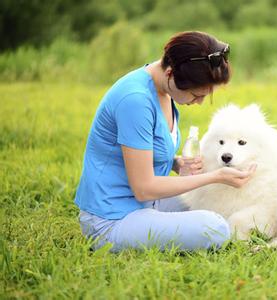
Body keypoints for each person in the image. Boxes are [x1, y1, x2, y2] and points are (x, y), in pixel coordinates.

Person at [74, 31, 256, 252]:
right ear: (170, 73)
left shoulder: (163, 87)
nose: (199, 103)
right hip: (114, 217)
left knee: (215, 203)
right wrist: (214, 177)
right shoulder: (135, 101)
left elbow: (140, 150)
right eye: (196, 95)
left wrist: (175, 163)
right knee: (214, 227)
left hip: (145, 204)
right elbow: (144, 187)